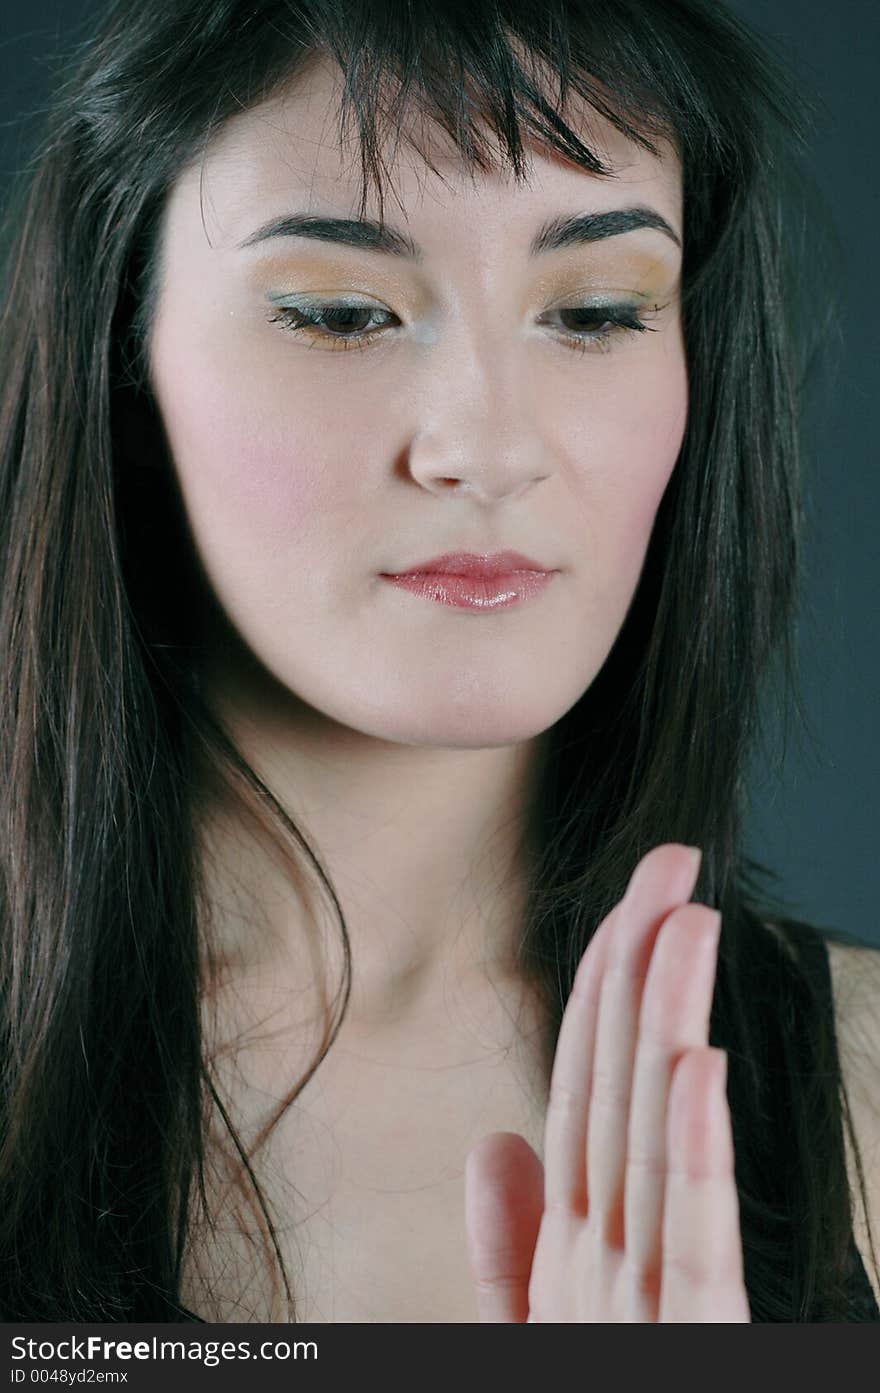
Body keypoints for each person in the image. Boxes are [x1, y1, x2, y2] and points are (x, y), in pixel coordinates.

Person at [0, 0, 877, 1324]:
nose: (488, 445)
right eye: (343, 313)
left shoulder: (867, 1090)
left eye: (593, 310)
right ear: (123, 353)